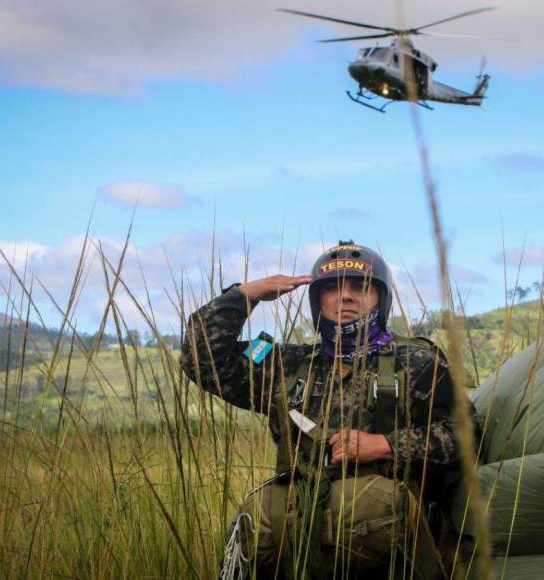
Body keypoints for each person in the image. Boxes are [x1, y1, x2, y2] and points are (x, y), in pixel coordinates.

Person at [180, 241, 471, 579]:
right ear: (317, 300)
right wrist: (245, 295)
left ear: (381, 297)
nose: (345, 296)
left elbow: (466, 434)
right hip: (300, 546)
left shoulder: (417, 364)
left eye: (359, 286)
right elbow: (200, 360)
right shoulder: (287, 365)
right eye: (332, 288)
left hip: (391, 553)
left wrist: (386, 444)